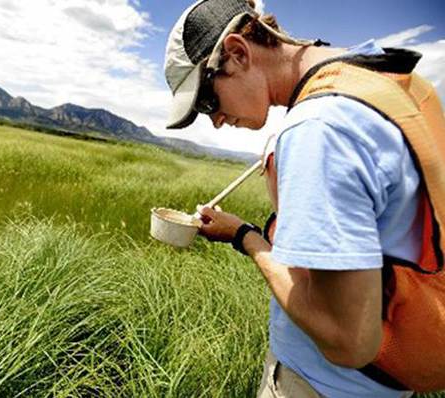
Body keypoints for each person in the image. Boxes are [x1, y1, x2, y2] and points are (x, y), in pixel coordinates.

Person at [164, 0, 445, 397]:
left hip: (319, 384)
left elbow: (348, 341)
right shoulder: (385, 79)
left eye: (208, 101)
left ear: (238, 52)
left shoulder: (318, 129)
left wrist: (247, 238)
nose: (216, 119)